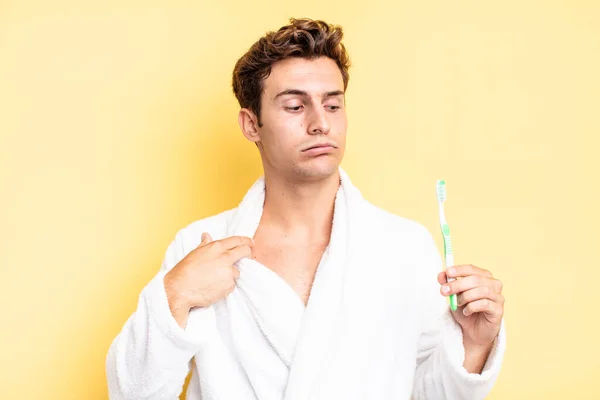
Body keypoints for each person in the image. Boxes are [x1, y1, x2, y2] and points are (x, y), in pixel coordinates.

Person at [106, 18, 506, 400]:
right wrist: (175, 296)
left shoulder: (403, 247)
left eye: (332, 106)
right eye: (295, 107)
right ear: (251, 125)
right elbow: (133, 394)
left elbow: (429, 393)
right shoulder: (199, 247)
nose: (320, 124)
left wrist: (474, 344)